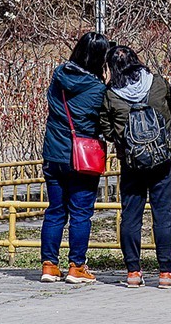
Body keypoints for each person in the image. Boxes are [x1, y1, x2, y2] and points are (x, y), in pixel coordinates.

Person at [100, 45, 171, 289]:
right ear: (137, 61)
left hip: (132, 163)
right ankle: (166, 273)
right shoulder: (157, 83)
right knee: (163, 216)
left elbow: (105, 126)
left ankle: (133, 272)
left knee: (131, 217)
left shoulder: (111, 94)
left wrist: (121, 142)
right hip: (161, 161)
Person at [40, 31, 108, 284]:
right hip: (82, 158)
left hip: (54, 154)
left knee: (56, 211)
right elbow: (100, 120)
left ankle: (49, 266)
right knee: (80, 213)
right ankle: (76, 267)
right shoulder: (97, 89)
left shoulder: (58, 76)